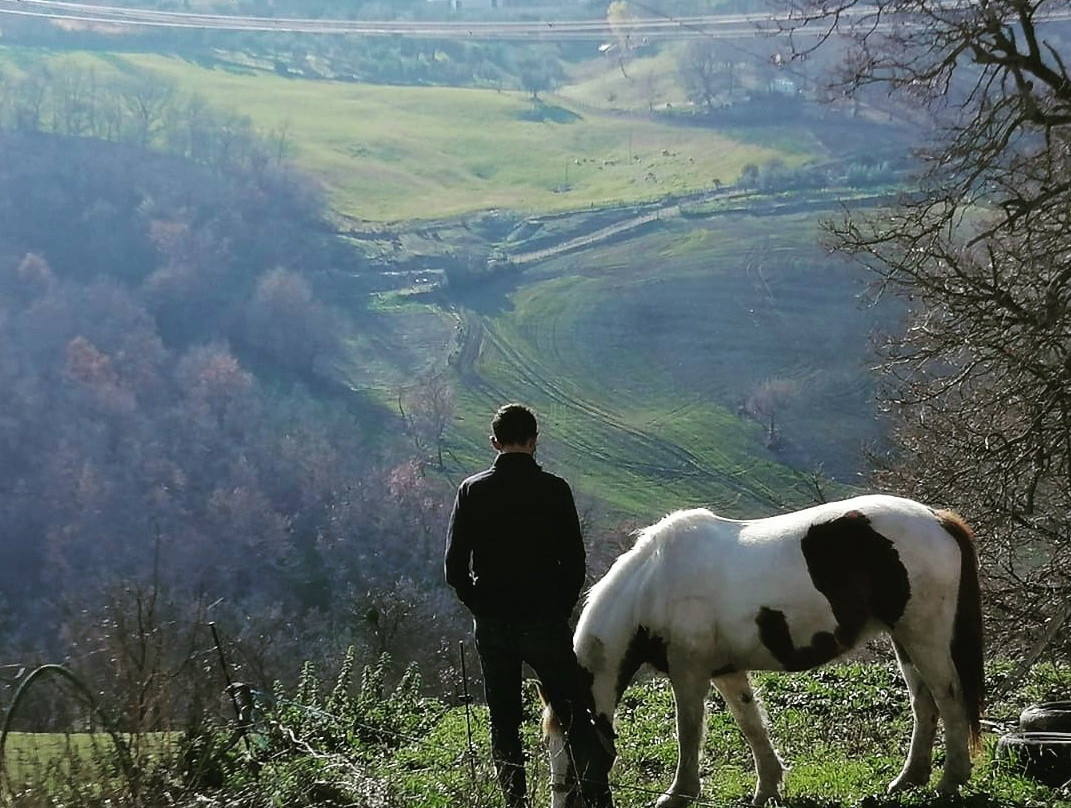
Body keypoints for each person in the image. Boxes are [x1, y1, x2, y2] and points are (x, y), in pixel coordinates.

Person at [445, 403, 603, 808]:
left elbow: (454, 568)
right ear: (534, 442)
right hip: (544, 620)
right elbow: (575, 563)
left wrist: (480, 606)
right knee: (573, 712)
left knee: (504, 721)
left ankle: (516, 802)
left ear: (494, 442)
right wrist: (559, 607)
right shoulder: (555, 490)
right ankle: (596, 798)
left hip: (494, 626)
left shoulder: (472, 490)